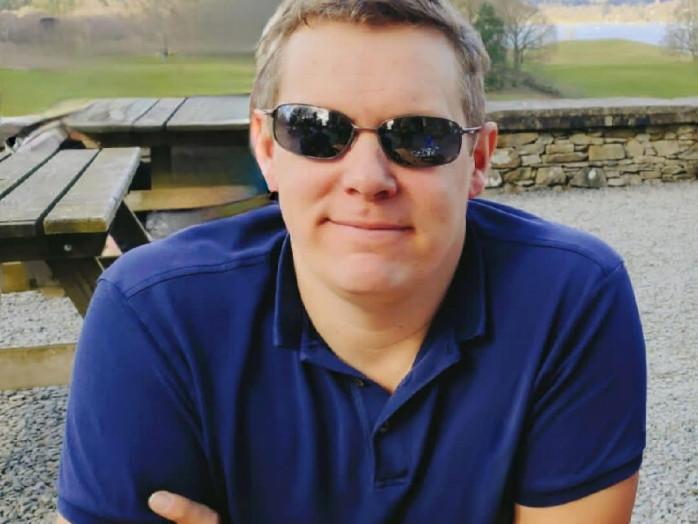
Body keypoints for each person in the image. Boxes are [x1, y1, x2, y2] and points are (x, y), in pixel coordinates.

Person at [56, 0, 646, 523]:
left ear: (478, 159)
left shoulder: (569, 299)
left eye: (420, 136)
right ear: (266, 147)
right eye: (316, 130)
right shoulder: (154, 314)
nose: (367, 178)